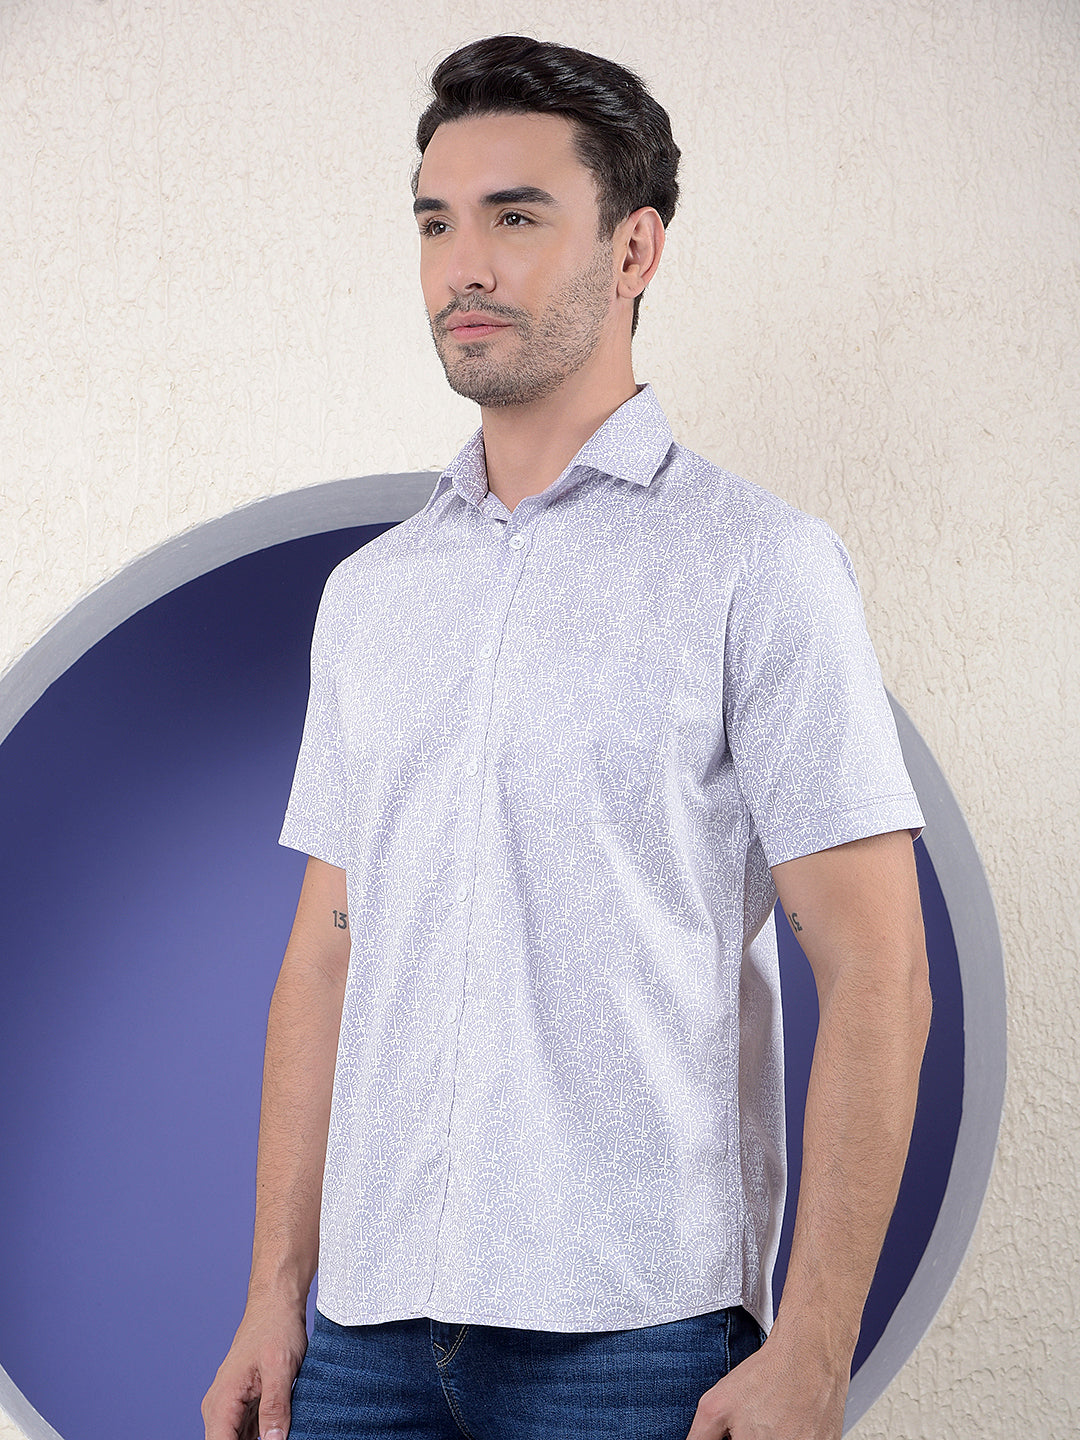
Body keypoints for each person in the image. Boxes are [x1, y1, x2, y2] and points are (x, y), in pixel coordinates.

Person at [203, 34, 931, 1440]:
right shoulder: (373, 596)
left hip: (638, 1340)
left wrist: (816, 1347)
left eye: (517, 217)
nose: (463, 266)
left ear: (634, 249)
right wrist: (273, 1295)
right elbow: (327, 952)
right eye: (436, 223)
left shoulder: (758, 566)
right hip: (360, 1340)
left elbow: (880, 970)